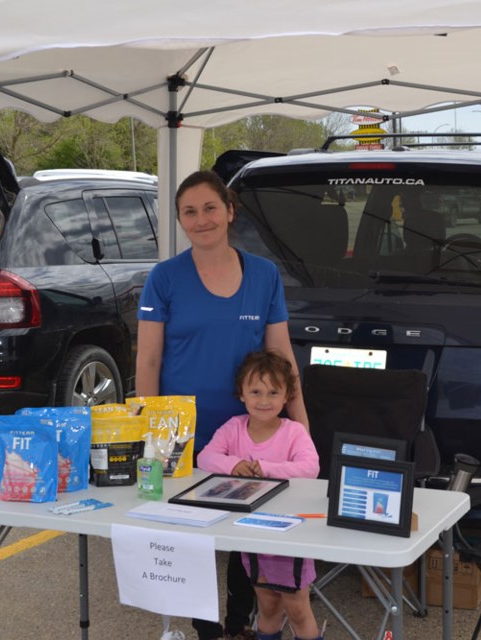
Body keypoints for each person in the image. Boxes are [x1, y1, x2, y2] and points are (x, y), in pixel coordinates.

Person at [136, 170, 309, 640]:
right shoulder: (164, 278)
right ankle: (205, 627)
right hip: (183, 432)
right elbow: (148, 361)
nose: (201, 219)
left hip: (250, 433)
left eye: (210, 208)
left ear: (230, 211)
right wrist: (150, 437)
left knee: (245, 534)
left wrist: (301, 428)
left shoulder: (263, 275)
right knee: (190, 533)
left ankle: (238, 624)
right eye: (189, 212)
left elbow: (282, 358)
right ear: (180, 221)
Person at [199, 351, 322, 640]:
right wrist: (232, 464)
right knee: (266, 606)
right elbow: (205, 457)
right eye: (255, 391)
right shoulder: (233, 427)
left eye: (273, 392)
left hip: (289, 534)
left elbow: (311, 467)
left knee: (298, 609)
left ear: (286, 397)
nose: (264, 400)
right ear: (241, 394)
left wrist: (265, 468)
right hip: (250, 535)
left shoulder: (293, 432)